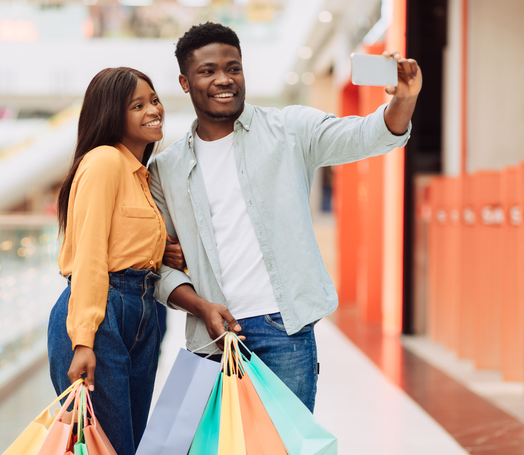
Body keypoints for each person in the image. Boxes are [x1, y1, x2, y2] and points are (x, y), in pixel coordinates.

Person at [148, 22, 422, 412]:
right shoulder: (166, 169)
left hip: (284, 331)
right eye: (208, 71)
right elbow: (157, 264)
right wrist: (199, 307)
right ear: (185, 81)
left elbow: (369, 134)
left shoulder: (288, 129)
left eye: (233, 67)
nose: (224, 79)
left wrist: (403, 100)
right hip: (208, 336)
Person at [47, 67, 184, 455]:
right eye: (137, 105)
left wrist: (163, 250)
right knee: (108, 445)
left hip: (142, 311)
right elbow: (90, 254)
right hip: (103, 314)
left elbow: (125, 245)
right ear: (112, 114)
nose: (153, 110)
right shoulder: (104, 161)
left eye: (154, 100)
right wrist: (83, 340)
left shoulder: (140, 174)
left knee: (126, 446)